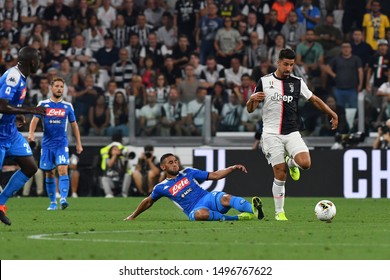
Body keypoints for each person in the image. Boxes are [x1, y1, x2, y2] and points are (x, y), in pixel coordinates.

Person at [246, 48, 338, 221]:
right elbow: (250, 110)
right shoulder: (265, 81)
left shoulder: (297, 82)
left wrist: (332, 113)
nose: (288, 68)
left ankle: (292, 162)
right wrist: (251, 99)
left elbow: (314, 100)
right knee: (280, 173)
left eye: (291, 65)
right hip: (271, 134)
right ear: (278, 62)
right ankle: (279, 212)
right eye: (286, 64)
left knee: (306, 163)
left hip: (292, 132)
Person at [124, 153, 264, 221]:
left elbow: (215, 175)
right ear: (163, 167)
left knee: (226, 197)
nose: (174, 164)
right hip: (194, 209)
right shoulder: (161, 187)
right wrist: (132, 216)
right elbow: (148, 201)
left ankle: (254, 210)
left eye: (175, 161)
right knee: (201, 215)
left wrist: (233, 168)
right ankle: (237, 218)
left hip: (207, 198)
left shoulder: (188, 172)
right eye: (170, 162)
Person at [0, 46, 46, 225]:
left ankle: (1, 203)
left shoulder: (21, 76)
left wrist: (17, 114)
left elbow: (9, 106)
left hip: (10, 133)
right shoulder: (13, 77)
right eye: (38, 59)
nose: (39, 62)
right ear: (32, 62)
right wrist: (30, 110)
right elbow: (2, 106)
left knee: (30, 167)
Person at [28, 77, 83, 211]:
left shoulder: (68, 106)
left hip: (61, 144)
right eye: (57, 86)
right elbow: (34, 120)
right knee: (49, 173)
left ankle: (63, 198)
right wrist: (31, 134)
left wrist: (79, 143)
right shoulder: (43, 104)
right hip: (47, 145)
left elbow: (74, 125)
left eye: (61, 87)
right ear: (51, 88)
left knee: (63, 169)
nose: (59, 89)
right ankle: (53, 202)